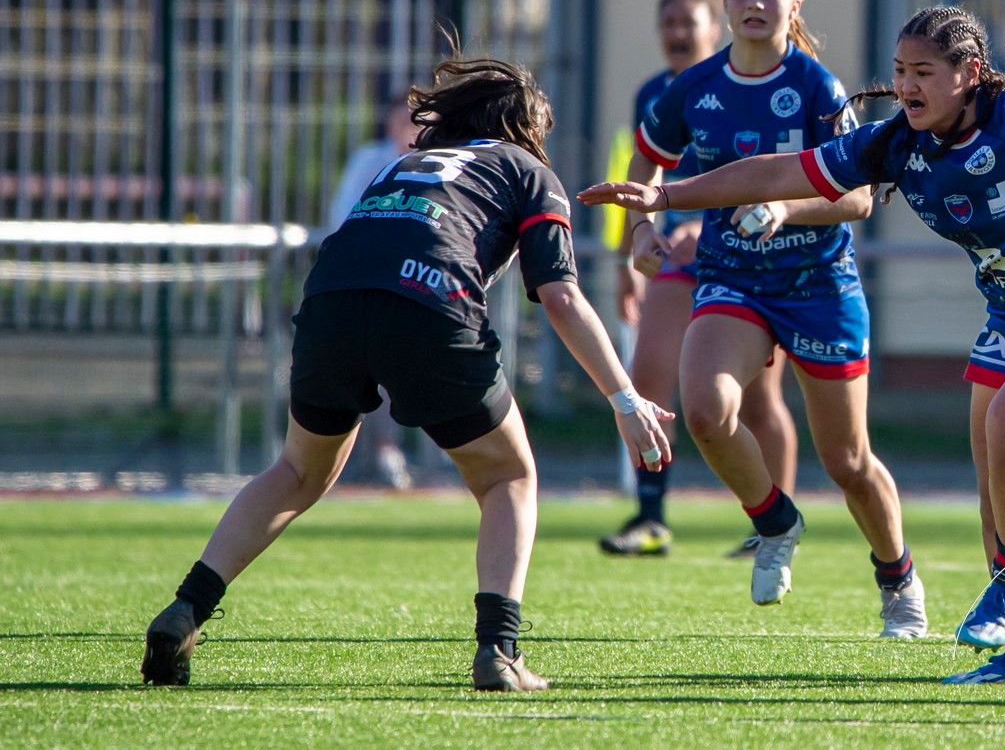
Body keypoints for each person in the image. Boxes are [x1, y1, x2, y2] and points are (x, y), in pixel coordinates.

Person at [582, 3, 1005, 683]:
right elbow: (780, 173)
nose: (906, 86)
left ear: (970, 74)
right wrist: (664, 198)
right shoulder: (894, 143)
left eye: (923, 72)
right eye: (899, 71)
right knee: (998, 481)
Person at [140, 57, 673, 693]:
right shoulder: (529, 170)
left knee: (297, 470)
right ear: (527, 128)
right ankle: (499, 652)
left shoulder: (404, 164)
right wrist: (624, 396)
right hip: (426, 305)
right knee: (508, 473)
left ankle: (187, 607)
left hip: (329, 301)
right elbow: (559, 297)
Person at [605, 0, 927, 638]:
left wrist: (786, 206)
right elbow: (648, 160)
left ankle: (897, 577)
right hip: (734, 279)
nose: (755, 4)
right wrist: (638, 231)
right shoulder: (692, 88)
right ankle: (775, 521)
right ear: (724, 3)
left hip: (817, 282)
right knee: (706, 412)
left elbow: (860, 199)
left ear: (793, 6)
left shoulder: (816, 88)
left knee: (847, 461)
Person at [600, 0, 799, 559]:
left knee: (760, 401)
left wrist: (705, 217)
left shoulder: (750, 85)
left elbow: (763, 175)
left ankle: (773, 527)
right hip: (678, 260)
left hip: (752, 259)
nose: (679, 34)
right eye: (670, 23)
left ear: (716, 28)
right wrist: (627, 254)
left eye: (690, 22)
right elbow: (638, 178)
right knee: (648, 378)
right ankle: (651, 517)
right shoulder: (654, 95)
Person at [320, 99, 422, 490]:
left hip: (419, 288)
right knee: (371, 374)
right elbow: (343, 216)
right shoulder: (371, 161)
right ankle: (379, 453)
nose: (408, 128)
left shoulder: (442, 161)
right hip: (369, 285)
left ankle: (448, 453)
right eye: (402, 119)